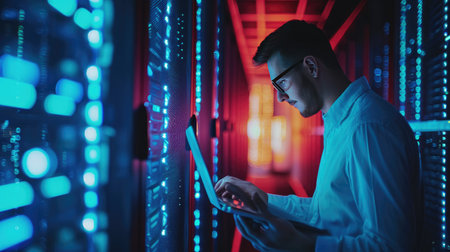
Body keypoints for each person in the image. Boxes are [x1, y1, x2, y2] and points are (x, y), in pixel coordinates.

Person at [214, 20, 422, 251]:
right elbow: (325, 211)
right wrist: (262, 198)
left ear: (311, 66)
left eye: (281, 84)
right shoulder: (341, 123)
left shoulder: (366, 128)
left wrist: (302, 245)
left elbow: (390, 246)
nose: (281, 98)